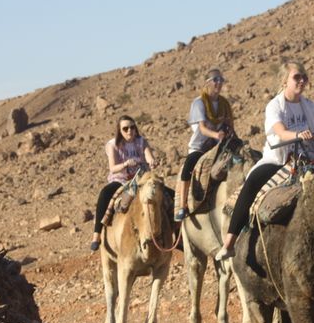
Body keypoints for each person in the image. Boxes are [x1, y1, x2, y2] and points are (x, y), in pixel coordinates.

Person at [215, 61, 314, 261]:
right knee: (251, 184)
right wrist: (298, 134)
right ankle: (229, 242)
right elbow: (280, 131)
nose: (301, 81)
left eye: (304, 77)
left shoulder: (309, 106)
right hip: (279, 160)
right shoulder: (274, 105)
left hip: (307, 158)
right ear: (284, 81)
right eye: (296, 77)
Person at [174, 67, 235, 221]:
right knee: (189, 166)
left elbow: (229, 124)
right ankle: (182, 206)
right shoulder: (199, 103)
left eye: (221, 80)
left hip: (219, 145)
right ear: (208, 83)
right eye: (216, 80)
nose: (219, 83)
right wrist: (216, 134)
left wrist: (231, 136)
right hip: (201, 146)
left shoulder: (224, 104)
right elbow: (202, 128)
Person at [90, 115, 158, 250]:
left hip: (140, 179)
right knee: (105, 194)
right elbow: (112, 168)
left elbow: (149, 156)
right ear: (119, 130)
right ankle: (96, 234)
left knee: (164, 194)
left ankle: (175, 229)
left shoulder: (141, 141)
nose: (129, 131)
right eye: (125, 128)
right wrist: (126, 164)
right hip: (121, 180)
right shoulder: (113, 145)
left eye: (132, 127)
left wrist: (152, 161)